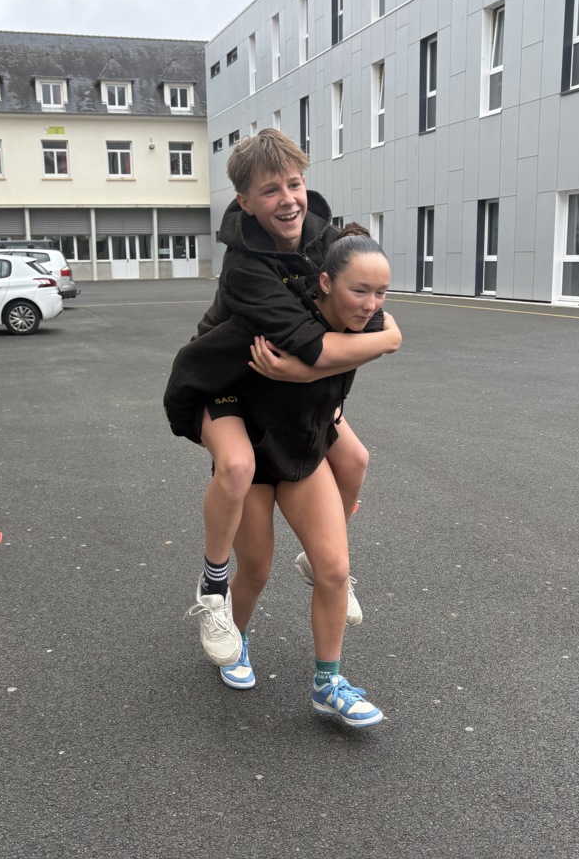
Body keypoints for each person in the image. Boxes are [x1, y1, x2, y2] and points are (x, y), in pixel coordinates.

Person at [164, 130, 401, 669]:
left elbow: (360, 311)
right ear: (245, 202)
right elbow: (313, 347)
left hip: (286, 391)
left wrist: (385, 335)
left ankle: (321, 565)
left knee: (355, 459)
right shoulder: (245, 267)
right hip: (225, 382)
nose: (289, 199)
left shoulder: (327, 241)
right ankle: (214, 586)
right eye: (270, 191)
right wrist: (381, 343)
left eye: (294, 184)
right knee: (237, 466)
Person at [215, 230, 395, 726]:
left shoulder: (368, 323)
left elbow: (375, 338)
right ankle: (234, 637)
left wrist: (384, 337)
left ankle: (327, 684)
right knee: (255, 570)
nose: (371, 304)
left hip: (303, 453)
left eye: (381, 292)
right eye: (360, 290)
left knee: (333, 569)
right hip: (255, 453)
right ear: (326, 282)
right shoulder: (285, 318)